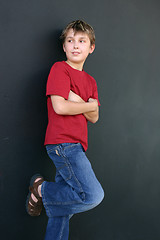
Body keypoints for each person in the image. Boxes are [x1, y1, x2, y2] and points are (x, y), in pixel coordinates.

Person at [26, 19, 104, 240]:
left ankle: (43, 195)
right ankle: (40, 189)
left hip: (77, 145)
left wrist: (79, 101)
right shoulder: (60, 69)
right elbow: (60, 106)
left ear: (91, 48)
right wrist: (88, 104)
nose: (75, 45)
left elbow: (95, 117)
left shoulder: (91, 81)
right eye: (70, 40)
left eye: (81, 41)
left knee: (62, 211)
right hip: (63, 144)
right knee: (92, 195)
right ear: (64, 46)